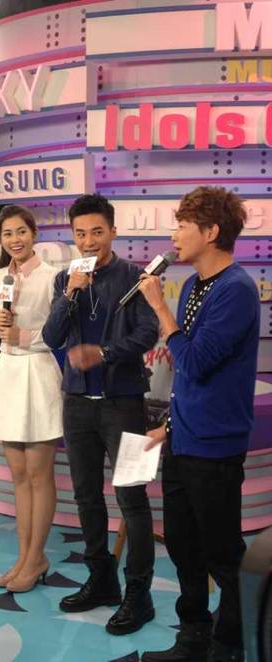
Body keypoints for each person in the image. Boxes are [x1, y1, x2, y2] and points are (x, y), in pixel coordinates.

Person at [139, 187, 260, 662]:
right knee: (183, 546)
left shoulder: (237, 290)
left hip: (216, 445)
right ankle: (193, 636)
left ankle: (229, 646)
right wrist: (169, 426)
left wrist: (159, 309)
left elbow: (196, 362)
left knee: (222, 554)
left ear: (210, 232)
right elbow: (185, 379)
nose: (173, 236)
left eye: (182, 226)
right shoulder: (193, 285)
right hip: (184, 439)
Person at [42, 193, 159, 635]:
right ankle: (101, 580)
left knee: (133, 500)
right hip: (76, 405)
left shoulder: (135, 276)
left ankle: (139, 594)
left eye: (97, 232)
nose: (89, 241)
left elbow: (148, 333)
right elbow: (52, 336)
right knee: (86, 496)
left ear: (113, 231)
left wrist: (104, 353)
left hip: (125, 403)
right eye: (80, 234)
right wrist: (70, 293)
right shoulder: (64, 279)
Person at [0, 205, 63, 593]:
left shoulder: (52, 276)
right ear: (0, 239)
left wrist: (24, 336)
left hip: (39, 371)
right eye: (7, 234)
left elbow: (60, 331)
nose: (15, 240)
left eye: (21, 232)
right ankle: (25, 557)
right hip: (8, 371)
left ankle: (36, 557)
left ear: (34, 234)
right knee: (18, 475)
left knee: (38, 474)